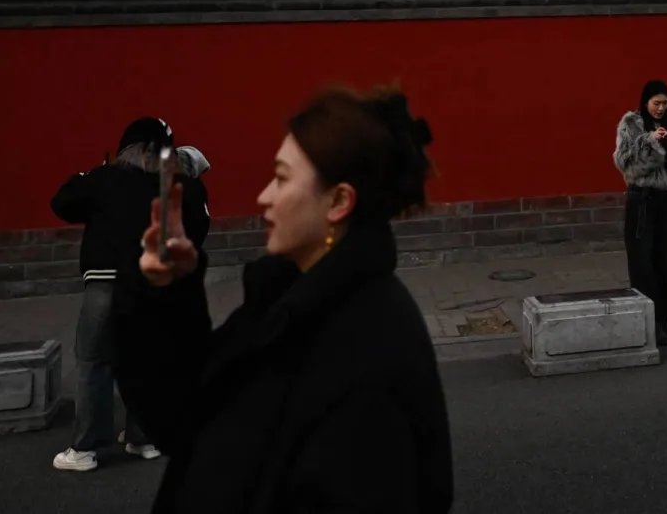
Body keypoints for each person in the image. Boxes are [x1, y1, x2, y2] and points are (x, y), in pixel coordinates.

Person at [112, 86, 452, 514]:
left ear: (339, 201)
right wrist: (165, 292)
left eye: (282, 178)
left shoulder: (368, 352)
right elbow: (183, 419)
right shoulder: (282, 300)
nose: (264, 197)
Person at [49, 117, 211, 472]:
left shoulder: (105, 179)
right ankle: (144, 437)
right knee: (145, 357)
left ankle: (85, 449)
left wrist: (89, 175)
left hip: (106, 282)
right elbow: (198, 229)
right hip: (154, 284)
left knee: (94, 362)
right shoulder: (176, 184)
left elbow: (62, 202)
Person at [613, 79, 667, 348]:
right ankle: (646, 320)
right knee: (641, 261)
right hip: (641, 199)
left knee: (664, 259)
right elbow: (625, 164)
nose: (660, 109)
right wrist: (651, 143)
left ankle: (663, 318)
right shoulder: (631, 124)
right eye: (655, 103)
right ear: (645, 101)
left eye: (664, 103)